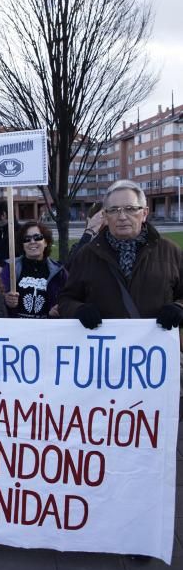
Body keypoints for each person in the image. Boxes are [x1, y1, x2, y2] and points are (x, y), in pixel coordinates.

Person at [59, 180, 183, 423]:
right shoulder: (87, 255)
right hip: (105, 368)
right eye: (113, 211)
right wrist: (79, 310)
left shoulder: (170, 252)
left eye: (130, 209)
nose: (122, 216)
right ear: (104, 216)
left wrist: (178, 307)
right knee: (109, 428)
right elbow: (66, 298)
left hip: (154, 367)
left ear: (144, 213)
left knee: (154, 428)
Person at [2, 221, 67, 318]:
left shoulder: (58, 271)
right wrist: (5, 298)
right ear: (23, 245)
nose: (32, 242)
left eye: (37, 237)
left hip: (46, 329)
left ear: (45, 242)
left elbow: (69, 297)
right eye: (27, 239)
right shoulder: (11, 267)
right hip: (16, 329)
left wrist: (58, 309)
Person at [65, 202, 104, 270]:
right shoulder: (78, 247)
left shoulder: (116, 245)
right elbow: (70, 267)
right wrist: (89, 231)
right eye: (102, 216)